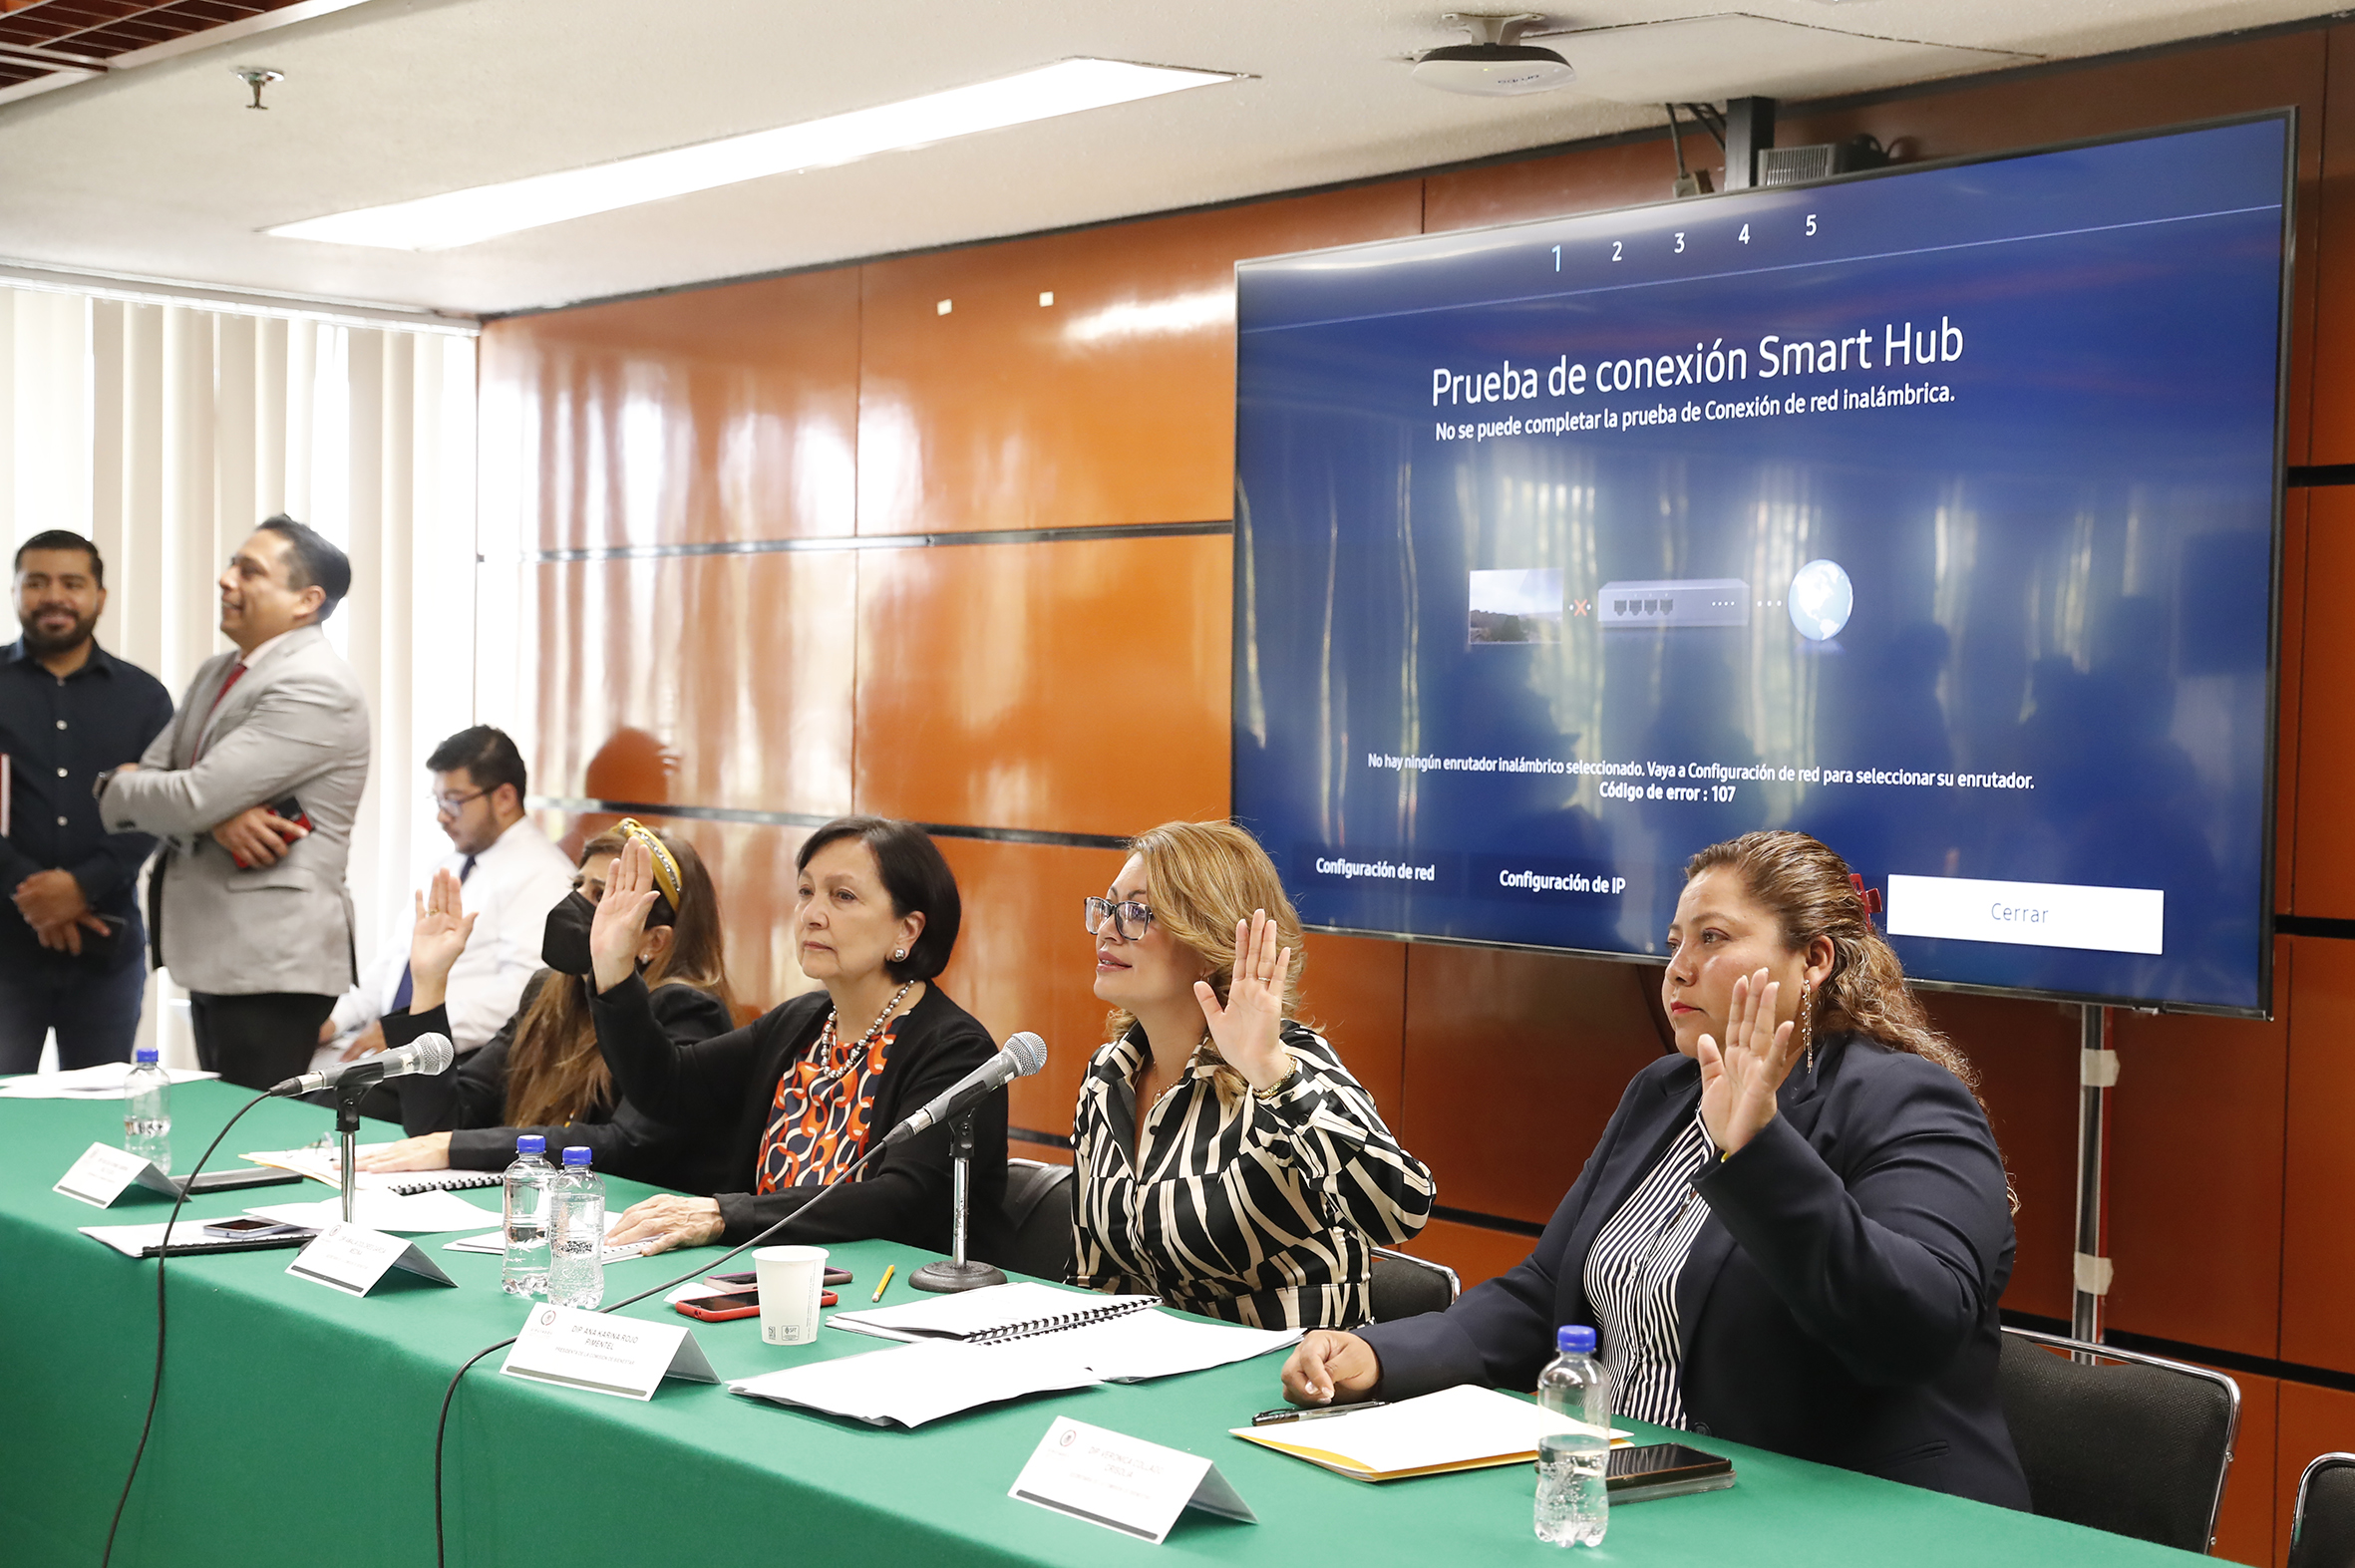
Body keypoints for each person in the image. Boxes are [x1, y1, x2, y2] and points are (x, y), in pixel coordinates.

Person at [1277, 829, 2028, 1508]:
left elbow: (1915, 1328)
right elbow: (1543, 1294)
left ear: (1815, 960)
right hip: (1640, 1491)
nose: (1677, 970)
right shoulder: (1664, 1091)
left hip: (1853, 1515)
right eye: (1674, 943)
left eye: (1712, 938)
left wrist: (1758, 1151)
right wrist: (1378, 1353)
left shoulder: (1906, 1099)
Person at [1073, 819, 1434, 1328]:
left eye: (1136, 913)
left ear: (1207, 943)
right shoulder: (1108, 1077)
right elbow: (1097, 1279)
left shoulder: (1289, 1066)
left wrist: (1270, 1071)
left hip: (1293, 1368)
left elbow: (1404, 1209)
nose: (1108, 929)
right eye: (1107, 908)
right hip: (1157, 1369)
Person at [593, 814, 1006, 1257]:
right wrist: (614, 968)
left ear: (907, 929)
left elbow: (900, 1198)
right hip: (768, 1275)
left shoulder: (956, 1051)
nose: (811, 915)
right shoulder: (801, 1022)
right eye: (806, 892)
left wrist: (725, 1215)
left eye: (843, 896)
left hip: (888, 1288)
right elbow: (667, 1087)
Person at [97, 516, 369, 1091]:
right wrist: (211, 817)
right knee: (227, 1125)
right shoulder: (219, 671)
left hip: (273, 959)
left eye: (250, 571)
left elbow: (187, 793)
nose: (226, 580)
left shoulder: (314, 682)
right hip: (223, 953)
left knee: (253, 1130)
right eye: (231, 565)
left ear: (306, 600)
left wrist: (132, 789)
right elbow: (176, 787)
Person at [352, 821, 738, 1192]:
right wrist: (429, 982)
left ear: (654, 941)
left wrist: (456, 1147)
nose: (575, 902)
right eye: (577, 885)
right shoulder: (547, 991)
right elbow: (438, 1124)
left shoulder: (688, 1010)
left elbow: (626, 1145)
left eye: (602, 896)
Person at [0, 531, 174, 1072]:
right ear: (14, 591)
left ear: (100, 596)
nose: (54, 596)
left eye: (72, 583)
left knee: (99, 1104)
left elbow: (156, 810)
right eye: (37, 582)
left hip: (106, 949)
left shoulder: (145, 697)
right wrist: (34, 893)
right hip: (3, 945)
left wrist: (79, 887)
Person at [320, 726, 571, 1064]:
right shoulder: (450, 864)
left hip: (460, 1059)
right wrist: (335, 1020)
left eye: (453, 801)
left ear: (504, 798)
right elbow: (397, 961)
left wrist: (410, 1032)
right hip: (399, 1045)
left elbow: (524, 993)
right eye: (438, 801)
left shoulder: (543, 875)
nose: (441, 816)